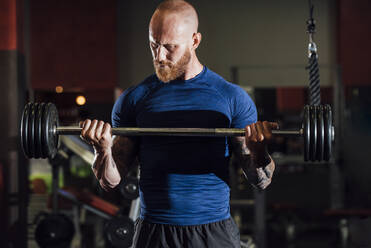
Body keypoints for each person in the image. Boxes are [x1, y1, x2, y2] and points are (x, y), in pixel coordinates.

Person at [80, 0, 277, 247]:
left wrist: (259, 151)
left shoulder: (231, 98)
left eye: (170, 47)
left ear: (195, 41)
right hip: (154, 232)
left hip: (213, 233)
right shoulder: (134, 99)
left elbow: (261, 180)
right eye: (154, 45)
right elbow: (110, 181)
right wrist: (102, 151)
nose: (159, 56)